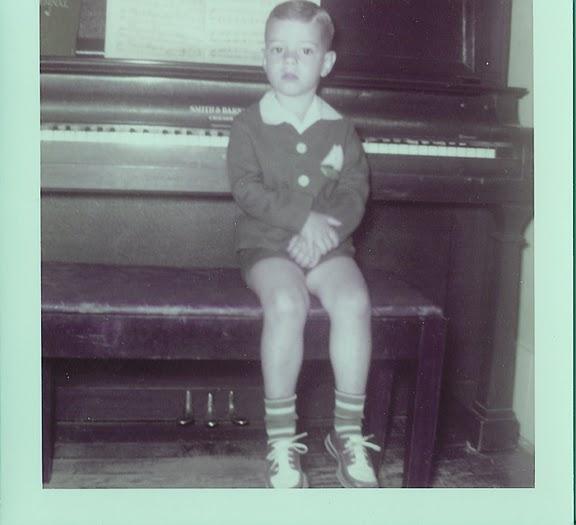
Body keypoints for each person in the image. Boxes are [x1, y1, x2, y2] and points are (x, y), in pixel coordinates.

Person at [226, 0, 380, 489]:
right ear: (264, 58)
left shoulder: (341, 127)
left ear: (326, 62)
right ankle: (280, 441)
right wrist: (301, 219)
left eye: (304, 50)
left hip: (327, 247)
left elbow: (355, 189)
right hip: (267, 246)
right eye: (279, 50)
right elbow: (245, 188)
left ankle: (348, 433)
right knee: (288, 304)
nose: (290, 61)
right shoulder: (248, 124)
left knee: (354, 301)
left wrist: (326, 234)